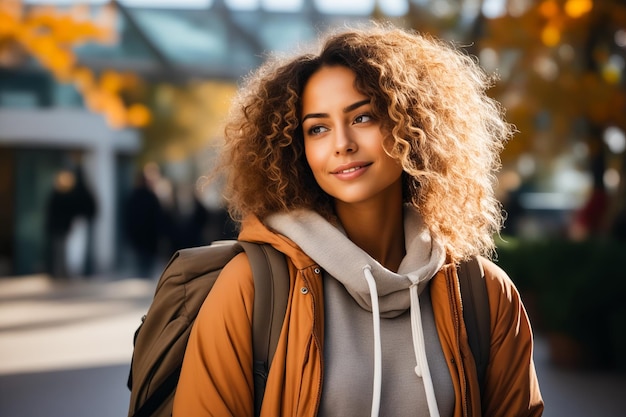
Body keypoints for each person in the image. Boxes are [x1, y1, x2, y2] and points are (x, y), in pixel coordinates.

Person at [173, 23, 543, 417]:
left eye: (363, 117)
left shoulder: (482, 292)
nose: (342, 143)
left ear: (412, 125)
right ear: (297, 149)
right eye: (317, 128)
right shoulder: (251, 286)